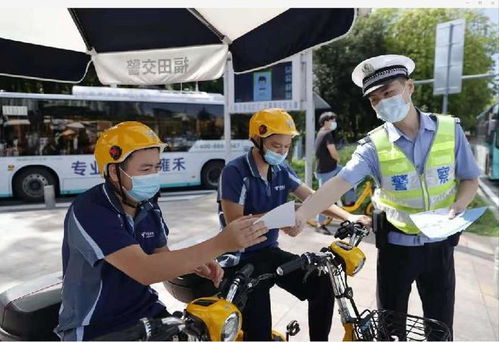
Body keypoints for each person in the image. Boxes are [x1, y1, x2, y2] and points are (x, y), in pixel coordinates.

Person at [296, 55, 480, 339]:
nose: (382, 102)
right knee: (391, 329)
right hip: (397, 250)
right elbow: (339, 183)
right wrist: (300, 215)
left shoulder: (449, 130)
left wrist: (459, 205)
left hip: (440, 250)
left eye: (388, 92)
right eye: (374, 99)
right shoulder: (374, 145)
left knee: (440, 327)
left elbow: (470, 178)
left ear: (409, 87)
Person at [55, 121, 268, 341]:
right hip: (97, 327)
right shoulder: (91, 210)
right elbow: (145, 270)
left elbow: (160, 255)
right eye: (145, 169)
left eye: (157, 167)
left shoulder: (147, 205)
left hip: (144, 313)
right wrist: (219, 244)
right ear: (114, 172)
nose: (153, 175)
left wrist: (195, 262)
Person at [218, 108, 371, 341]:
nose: (282, 151)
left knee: (321, 283)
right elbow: (234, 224)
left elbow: (312, 197)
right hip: (240, 260)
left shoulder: (281, 169)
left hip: (268, 252)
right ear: (257, 139)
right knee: (259, 332)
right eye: (276, 145)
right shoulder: (235, 172)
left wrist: (348, 217)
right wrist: (284, 216)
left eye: (286, 146)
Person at [314, 111, 357, 234]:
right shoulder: (326, 134)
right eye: (331, 120)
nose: (334, 122)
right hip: (327, 171)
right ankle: (320, 224)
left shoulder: (320, 133)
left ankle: (348, 201)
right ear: (324, 122)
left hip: (329, 169)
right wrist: (338, 158)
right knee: (324, 198)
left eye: (334, 120)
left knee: (350, 174)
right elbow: (332, 151)